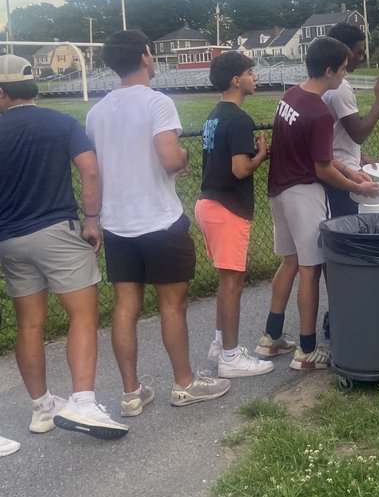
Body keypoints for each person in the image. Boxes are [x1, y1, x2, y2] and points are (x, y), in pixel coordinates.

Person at [87, 30, 231, 410]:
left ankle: (131, 392)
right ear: (146, 57)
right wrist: (183, 156)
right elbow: (169, 158)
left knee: (125, 306)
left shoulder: (96, 111)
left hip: (117, 222)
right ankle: (184, 382)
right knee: (172, 305)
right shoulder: (157, 102)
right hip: (160, 221)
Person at [0, 55, 128, 440]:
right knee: (83, 316)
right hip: (56, 229)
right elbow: (89, 169)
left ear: (2, 92)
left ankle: (42, 407)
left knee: (30, 324)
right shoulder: (60, 122)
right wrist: (92, 221)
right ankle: (84, 402)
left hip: (9, 238)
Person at [257, 36, 379, 371]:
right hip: (303, 194)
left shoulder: (291, 96)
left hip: (278, 191)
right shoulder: (320, 112)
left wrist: (354, 175)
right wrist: (362, 189)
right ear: (328, 70)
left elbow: (323, 158)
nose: (344, 75)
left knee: (290, 262)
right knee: (310, 270)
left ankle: (271, 336)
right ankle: (307, 350)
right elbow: (322, 168)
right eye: (342, 70)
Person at [195, 52, 274, 379]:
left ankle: (219, 345)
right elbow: (240, 169)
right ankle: (230, 357)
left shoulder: (214, 115)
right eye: (249, 72)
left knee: (227, 282)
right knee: (232, 284)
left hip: (209, 203)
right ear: (235, 80)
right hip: (228, 207)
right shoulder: (239, 119)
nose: (254, 77)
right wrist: (262, 155)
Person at [322, 22, 379, 219]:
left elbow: (339, 130)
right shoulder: (340, 87)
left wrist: (358, 154)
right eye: (358, 53)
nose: (361, 59)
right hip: (342, 173)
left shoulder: (327, 83)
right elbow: (358, 133)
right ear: (344, 52)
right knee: (348, 229)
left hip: (336, 165)